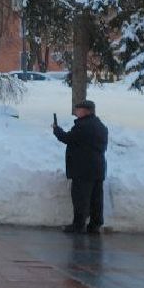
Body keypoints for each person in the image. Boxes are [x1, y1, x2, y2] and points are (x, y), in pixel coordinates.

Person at [52, 99, 108, 233]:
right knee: (96, 198)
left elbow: (68, 138)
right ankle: (95, 225)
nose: (76, 111)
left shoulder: (83, 126)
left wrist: (56, 130)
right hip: (98, 168)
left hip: (83, 169)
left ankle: (78, 225)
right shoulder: (100, 125)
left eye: (78, 109)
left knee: (81, 198)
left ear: (85, 111)